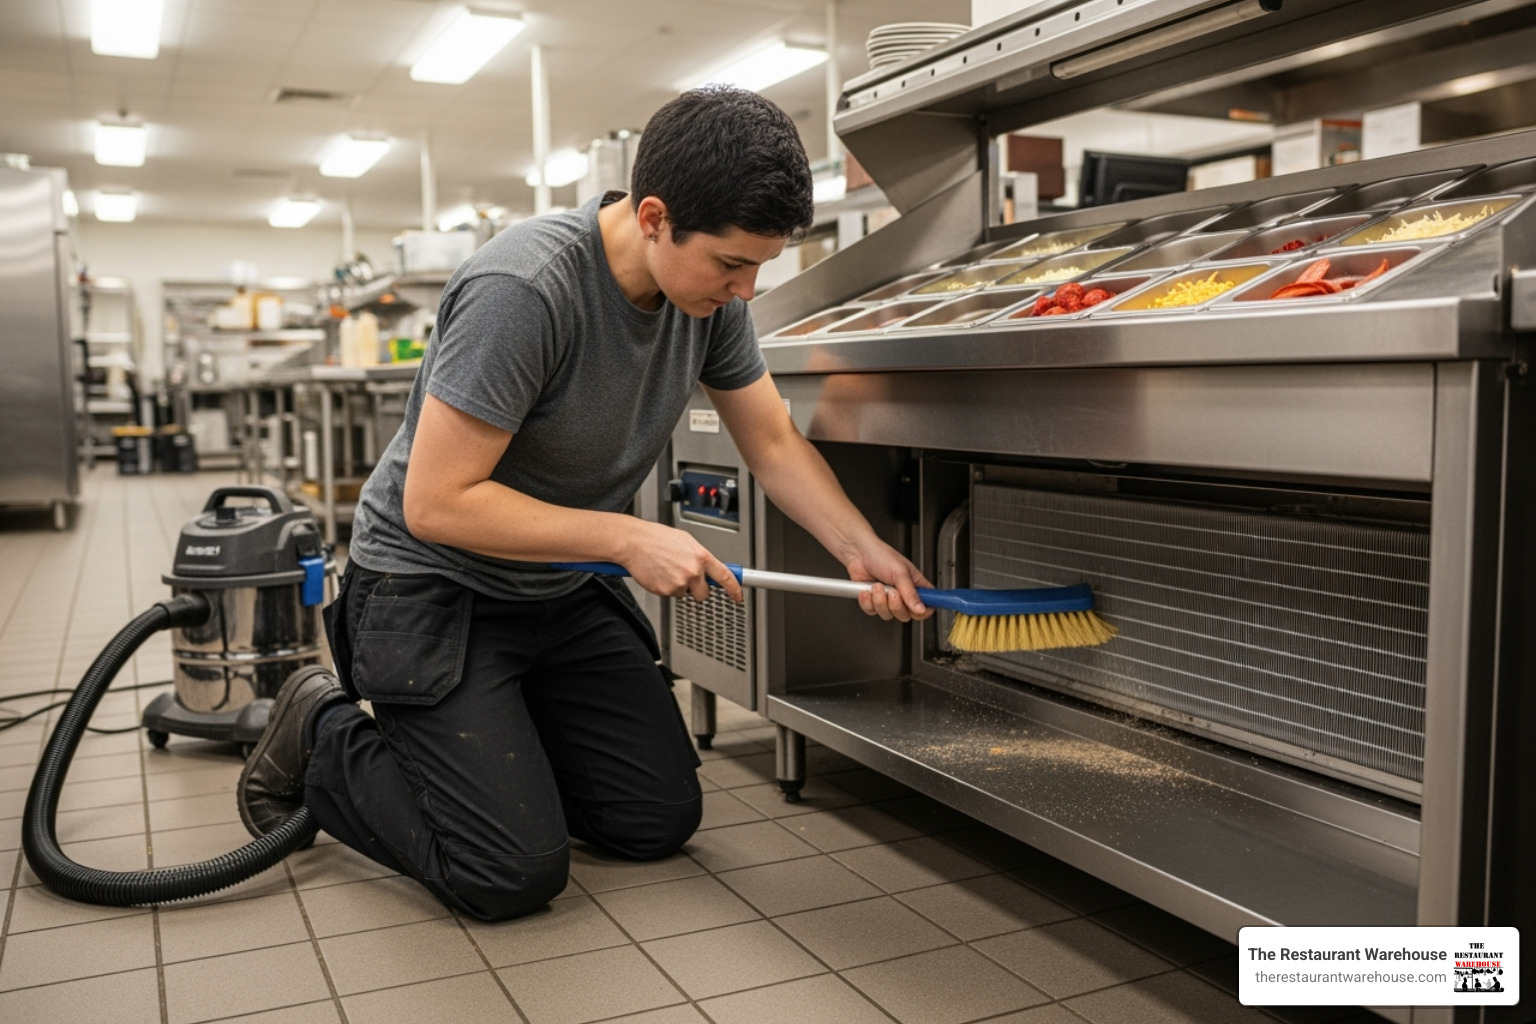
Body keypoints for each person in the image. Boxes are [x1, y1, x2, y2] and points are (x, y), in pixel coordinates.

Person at [236, 86, 932, 922]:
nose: (747, 289)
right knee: (506, 872)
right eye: (731, 264)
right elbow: (438, 504)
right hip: (434, 587)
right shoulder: (524, 289)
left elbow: (774, 445)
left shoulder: (708, 301)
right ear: (653, 217)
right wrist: (628, 538)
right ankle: (318, 727)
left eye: (760, 266)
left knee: (654, 819)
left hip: (557, 587)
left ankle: (503, 742)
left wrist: (860, 548)